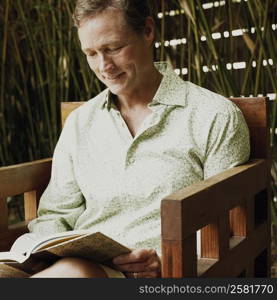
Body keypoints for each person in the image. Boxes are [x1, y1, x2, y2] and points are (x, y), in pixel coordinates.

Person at [3, 0, 250, 278]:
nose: (104, 66)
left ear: (147, 31)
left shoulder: (213, 115)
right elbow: (55, 213)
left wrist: (170, 261)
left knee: (76, 275)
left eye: (113, 49)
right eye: (91, 53)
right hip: (69, 268)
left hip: (155, 273)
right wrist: (45, 251)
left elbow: (227, 221)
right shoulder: (80, 123)